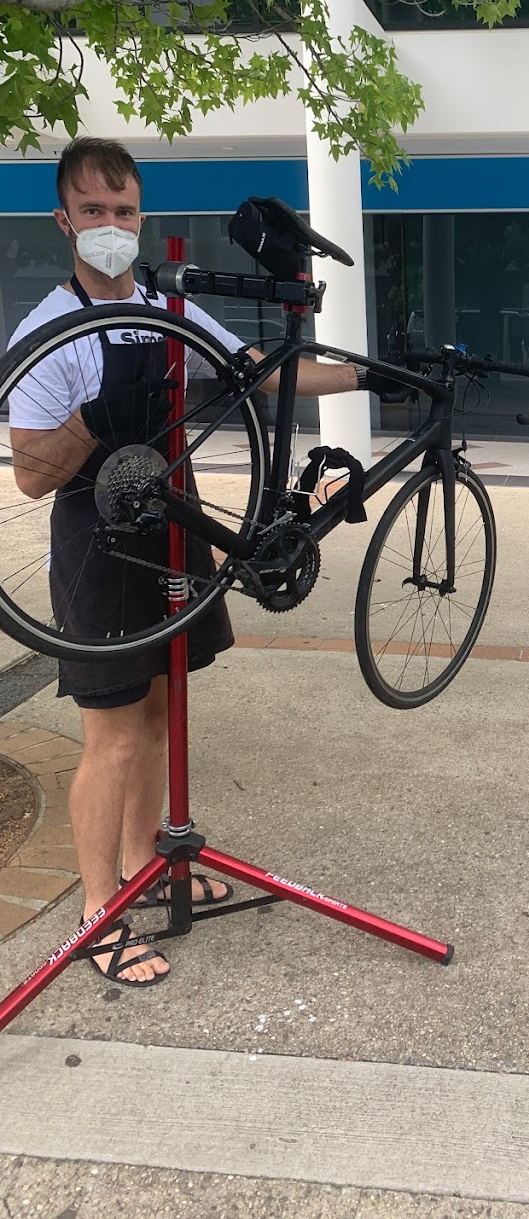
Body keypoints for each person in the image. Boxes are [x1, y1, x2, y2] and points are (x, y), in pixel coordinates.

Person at [7, 137, 386, 988]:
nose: (112, 226)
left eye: (125, 210)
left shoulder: (169, 307)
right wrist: (96, 418)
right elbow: (31, 476)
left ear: (143, 216)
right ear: (64, 221)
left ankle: (150, 863)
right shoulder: (50, 332)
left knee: (159, 711)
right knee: (107, 736)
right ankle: (99, 912)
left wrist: (369, 379)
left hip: (171, 529)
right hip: (96, 544)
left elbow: (257, 371)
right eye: (95, 212)